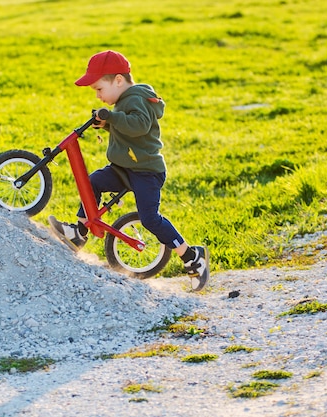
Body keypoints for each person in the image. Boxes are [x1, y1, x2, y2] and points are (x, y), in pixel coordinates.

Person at [48, 50, 210, 291]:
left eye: (99, 89)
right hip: (125, 168)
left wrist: (112, 118)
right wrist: (107, 124)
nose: (98, 95)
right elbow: (127, 132)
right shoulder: (125, 101)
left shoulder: (137, 98)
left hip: (146, 172)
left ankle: (191, 256)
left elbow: (139, 126)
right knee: (93, 182)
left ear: (119, 81)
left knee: (150, 219)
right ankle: (79, 232)